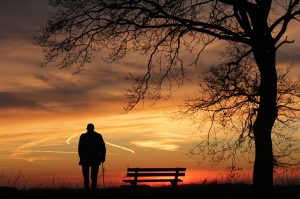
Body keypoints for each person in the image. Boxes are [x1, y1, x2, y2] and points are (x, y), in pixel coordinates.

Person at [78, 123, 106, 190]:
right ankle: (92, 190)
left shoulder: (83, 136)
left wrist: (81, 158)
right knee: (92, 176)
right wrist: (102, 157)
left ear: (87, 129)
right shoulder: (98, 136)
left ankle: (89, 190)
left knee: (88, 176)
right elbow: (103, 148)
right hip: (93, 159)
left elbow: (80, 149)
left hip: (88, 159)